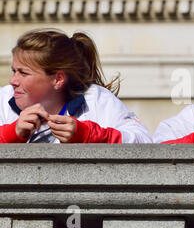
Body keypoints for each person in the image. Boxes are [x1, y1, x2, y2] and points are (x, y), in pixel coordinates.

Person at [0, 29, 152, 143]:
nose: (13, 81)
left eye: (24, 73)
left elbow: (144, 142)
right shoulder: (4, 98)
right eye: (14, 71)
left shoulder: (95, 99)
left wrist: (87, 135)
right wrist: (12, 133)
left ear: (58, 79)